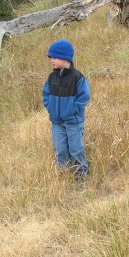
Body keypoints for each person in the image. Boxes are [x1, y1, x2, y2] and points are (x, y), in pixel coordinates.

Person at [42, 39, 91, 180]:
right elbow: (45, 94)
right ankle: (64, 175)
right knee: (60, 149)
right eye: (50, 57)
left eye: (55, 57)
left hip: (73, 121)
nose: (52, 60)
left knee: (76, 149)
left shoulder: (77, 77)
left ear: (65, 58)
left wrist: (72, 110)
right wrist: (50, 107)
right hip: (57, 122)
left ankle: (82, 176)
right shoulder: (52, 77)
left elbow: (84, 96)